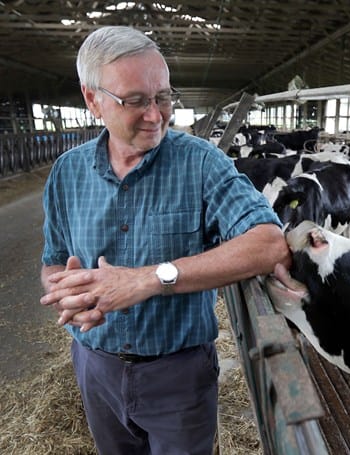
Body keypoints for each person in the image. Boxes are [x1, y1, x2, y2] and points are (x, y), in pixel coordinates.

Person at [39, 25, 291, 454]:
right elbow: (53, 259)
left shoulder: (201, 164)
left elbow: (268, 242)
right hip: (95, 368)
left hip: (179, 375)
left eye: (163, 97)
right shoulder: (67, 172)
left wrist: (149, 279)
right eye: (135, 101)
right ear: (92, 99)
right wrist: (66, 294)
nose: (155, 115)